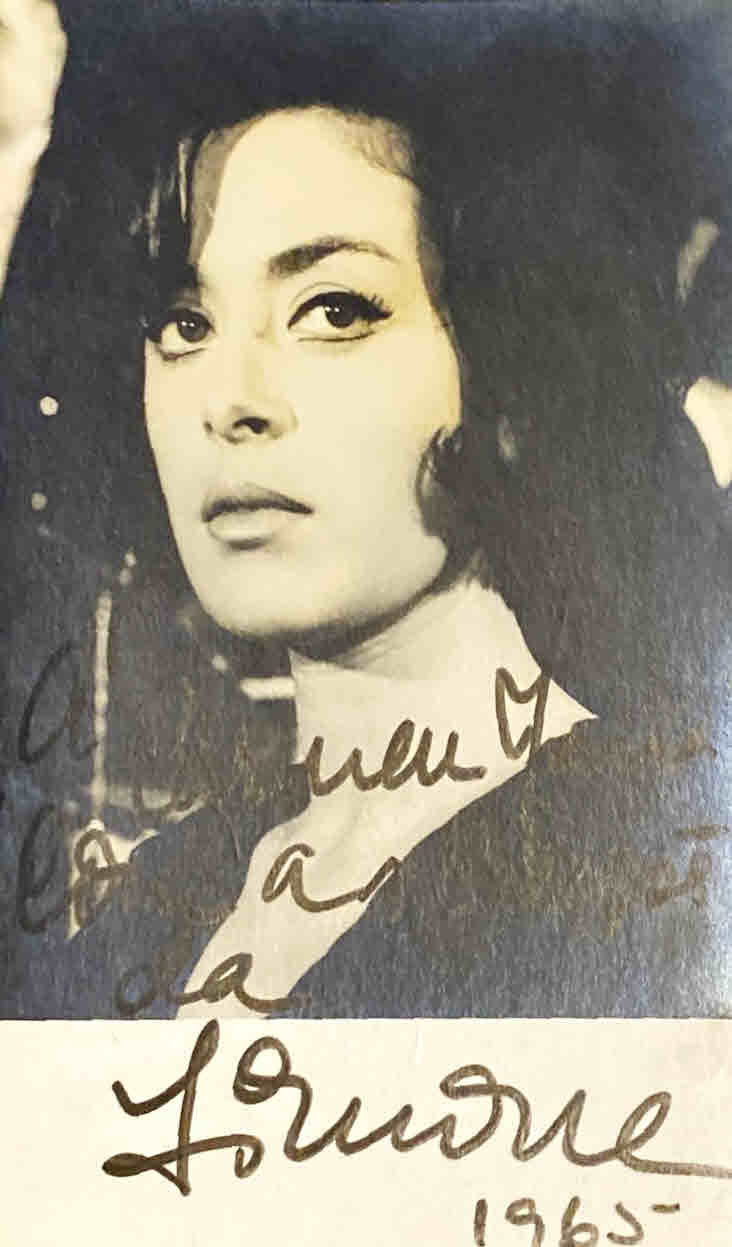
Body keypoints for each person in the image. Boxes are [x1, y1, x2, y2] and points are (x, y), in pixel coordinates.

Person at [1, 1, 730, 1019]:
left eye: (334, 310)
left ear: (503, 365)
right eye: (184, 323)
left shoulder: (662, 874)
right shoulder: (158, 892)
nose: (230, 399)